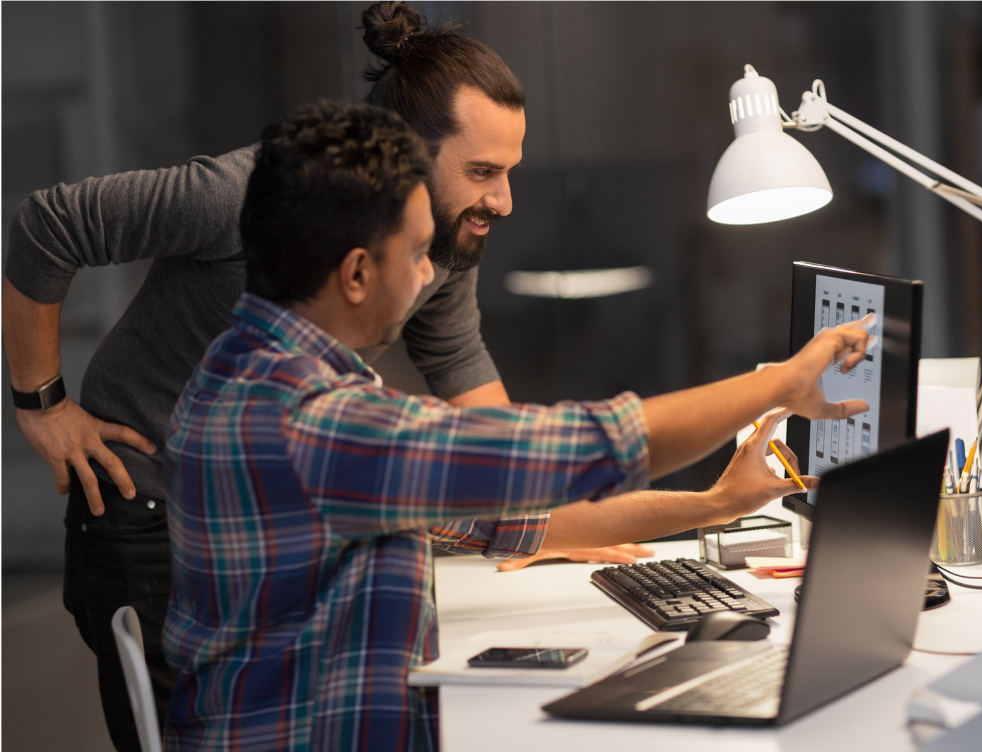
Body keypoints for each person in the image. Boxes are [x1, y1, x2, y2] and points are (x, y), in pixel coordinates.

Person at [1, 2, 708, 748]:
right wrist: (43, 404)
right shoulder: (246, 195)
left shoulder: (440, 235)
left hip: (274, 506)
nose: (502, 200)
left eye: (508, 171)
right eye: (482, 171)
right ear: (404, 154)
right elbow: (50, 225)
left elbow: (459, 360)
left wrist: (533, 506)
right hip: (143, 497)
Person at [164, 100, 868, 750]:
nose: (423, 279)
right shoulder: (312, 420)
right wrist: (778, 382)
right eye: (415, 254)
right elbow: (584, 447)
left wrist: (714, 505)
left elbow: (510, 518)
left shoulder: (245, 368)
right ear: (355, 273)